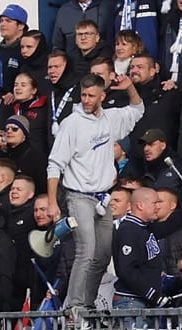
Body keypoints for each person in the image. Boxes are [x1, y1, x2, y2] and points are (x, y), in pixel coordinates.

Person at [45, 72, 145, 311]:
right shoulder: (72, 124)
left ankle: (87, 304)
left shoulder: (110, 119)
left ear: (103, 96)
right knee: (86, 250)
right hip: (78, 196)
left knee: (102, 255)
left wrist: (130, 86)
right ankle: (74, 305)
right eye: (83, 95)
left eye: (91, 95)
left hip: (103, 197)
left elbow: (137, 109)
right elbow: (54, 164)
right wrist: (52, 201)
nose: (87, 100)